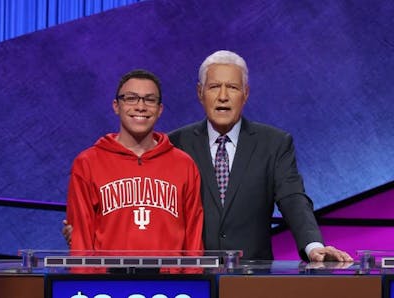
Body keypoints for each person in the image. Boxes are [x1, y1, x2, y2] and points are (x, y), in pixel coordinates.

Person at [65, 52, 352, 262]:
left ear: (246, 94)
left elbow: (293, 199)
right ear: (200, 93)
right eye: (215, 87)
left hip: (250, 277)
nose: (223, 96)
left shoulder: (275, 143)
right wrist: (87, 234)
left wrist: (314, 246)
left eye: (233, 88)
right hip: (192, 280)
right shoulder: (174, 144)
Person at [66, 69, 203, 256]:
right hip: (108, 283)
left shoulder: (184, 164)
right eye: (131, 98)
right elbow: (81, 244)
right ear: (116, 106)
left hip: (170, 284)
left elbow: (194, 240)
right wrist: (88, 284)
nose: (141, 106)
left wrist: (191, 284)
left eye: (149, 99)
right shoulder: (87, 163)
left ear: (160, 109)